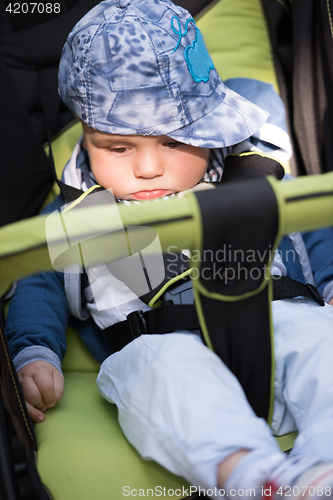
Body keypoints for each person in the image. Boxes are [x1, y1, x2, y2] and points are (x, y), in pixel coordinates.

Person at [5, 0, 333, 497]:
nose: (148, 168)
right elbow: (36, 277)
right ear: (88, 140)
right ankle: (255, 477)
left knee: (323, 347)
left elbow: (311, 229)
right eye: (118, 148)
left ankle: (324, 465)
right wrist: (34, 350)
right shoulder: (76, 213)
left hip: (276, 316)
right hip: (157, 343)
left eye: (176, 142)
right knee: (158, 377)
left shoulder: (254, 175)